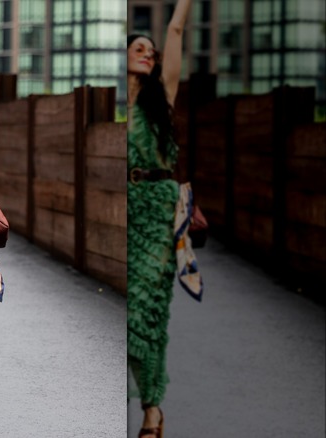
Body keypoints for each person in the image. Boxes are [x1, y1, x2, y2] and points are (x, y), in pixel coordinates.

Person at [126, 0, 192, 437]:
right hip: (125, 209)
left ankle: (152, 408)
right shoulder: (119, 110)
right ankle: (150, 405)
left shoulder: (160, 101)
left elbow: (175, 33)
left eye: (152, 50)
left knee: (146, 311)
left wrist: (181, 9)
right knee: (130, 316)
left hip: (157, 207)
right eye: (139, 48)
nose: (148, 53)